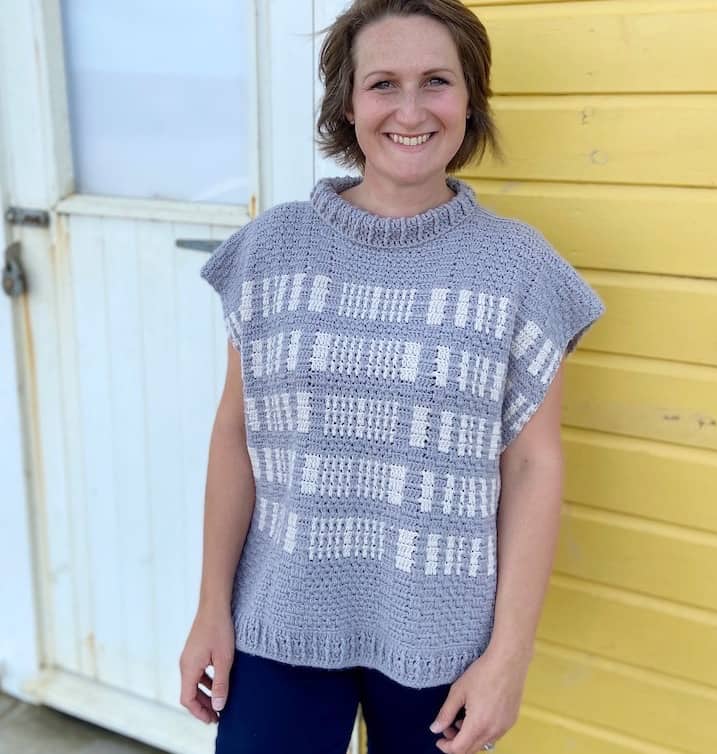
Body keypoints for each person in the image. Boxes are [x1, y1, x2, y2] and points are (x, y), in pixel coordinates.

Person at [180, 1, 606, 752]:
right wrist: (210, 609)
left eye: (435, 81)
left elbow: (534, 465)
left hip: (444, 636)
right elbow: (232, 437)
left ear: (469, 100)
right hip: (280, 619)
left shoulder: (520, 268)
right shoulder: (271, 249)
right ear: (346, 104)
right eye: (383, 84)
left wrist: (509, 655)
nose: (409, 110)